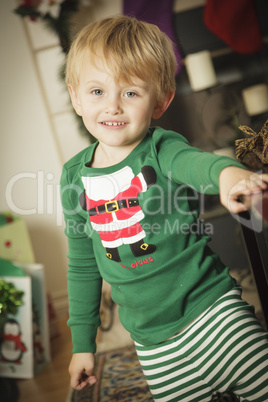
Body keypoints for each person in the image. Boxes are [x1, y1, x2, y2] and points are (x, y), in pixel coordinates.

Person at [60, 15, 268, 401]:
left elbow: (198, 163)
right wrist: (82, 345)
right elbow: (82, 264)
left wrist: (229, 176)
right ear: (75, 97)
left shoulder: (160, 149)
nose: (113, 106)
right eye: (97, 91)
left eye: (131, 93)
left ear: (161, 101)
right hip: (154, 346)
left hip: (214, 315)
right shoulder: (73, 178)